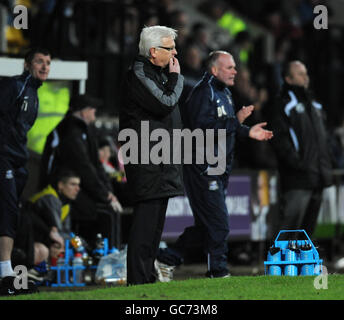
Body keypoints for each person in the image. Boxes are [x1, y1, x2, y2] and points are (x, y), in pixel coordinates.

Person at [155, 50, 273, 280]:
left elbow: (226, 128)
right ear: (215, 70)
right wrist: (234, 121)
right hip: (202, 167)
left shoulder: (226, 93)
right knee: (219, 224)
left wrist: (248, 131)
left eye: (235, 67)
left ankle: (166, 258)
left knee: (206, 226)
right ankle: (218, 272)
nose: (235, 71)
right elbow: (201, 131)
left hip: (219, 168)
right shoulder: (202, 92)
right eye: (229, 67)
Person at [119, 25, 184, 285]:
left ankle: (146, 276)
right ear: (153, 51)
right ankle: (137, 279)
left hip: (160, 158)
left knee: (155, 224)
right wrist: (176, 77)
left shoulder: (155, 73)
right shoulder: (138, 73)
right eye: (170, 48)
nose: (175, 52)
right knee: (145, 222)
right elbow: (165, 103)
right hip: (146, 158)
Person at [40, 94, 123, 250]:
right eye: (92, 109)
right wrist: (104, 195)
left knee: (109, 209)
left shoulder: (84, 130)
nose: (95, 112)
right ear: (83, 112)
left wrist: (107, 192)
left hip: (77, 187)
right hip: (59, 190)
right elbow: (83, 167)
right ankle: (100, 257)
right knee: (103, 213)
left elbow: (96, 166)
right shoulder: (70, 131)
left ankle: (109, 255)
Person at [0, 47, 51, 295]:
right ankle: (7, 276)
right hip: (5, 160)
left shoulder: (34, 93)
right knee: (8, 214)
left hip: (18, 163)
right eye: (39, 62)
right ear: (27, 64)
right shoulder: (14, 86)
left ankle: (9, 274)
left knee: (13, 215)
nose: (44, 67)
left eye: (48, 63)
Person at [268, 60, 333, 236]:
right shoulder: (283, 105)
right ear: (288, 79)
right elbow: (279, 139)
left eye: (306, 73)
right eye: (300, 74)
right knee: (288, 229)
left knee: (307, 233)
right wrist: (298, 163)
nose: (306, 77)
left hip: (317, 176)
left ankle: (302, 264)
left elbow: (324, 139)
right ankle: (280, 264)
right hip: (297, 179)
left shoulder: (316, 106)